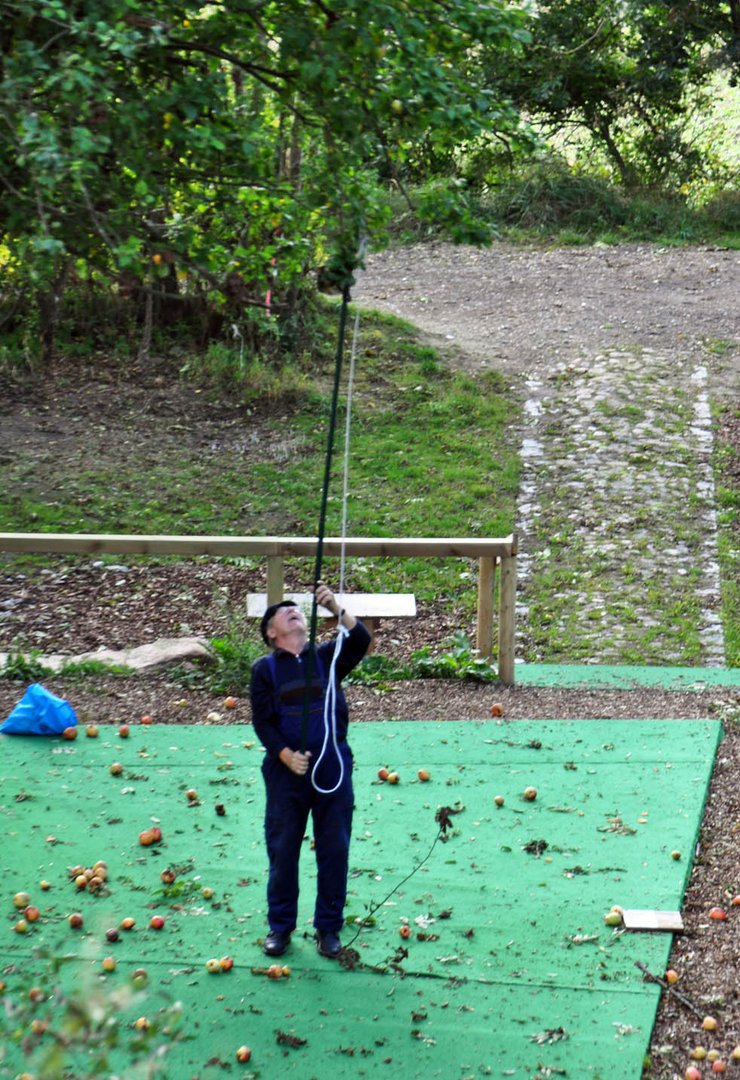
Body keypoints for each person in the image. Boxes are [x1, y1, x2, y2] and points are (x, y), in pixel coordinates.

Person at [249, 582, 371, 959]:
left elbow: (361, 639)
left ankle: (328, 927)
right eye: (283, 611)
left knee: (335, 848)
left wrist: (335, 607)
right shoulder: (265, 670)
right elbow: (263, 722)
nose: (293, 611)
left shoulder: (327, 657)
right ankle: (280, 927)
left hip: (332, 765)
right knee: (283, 849)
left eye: (297, 609)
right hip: (287, 774)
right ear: (271, 633)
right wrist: (285, 755)